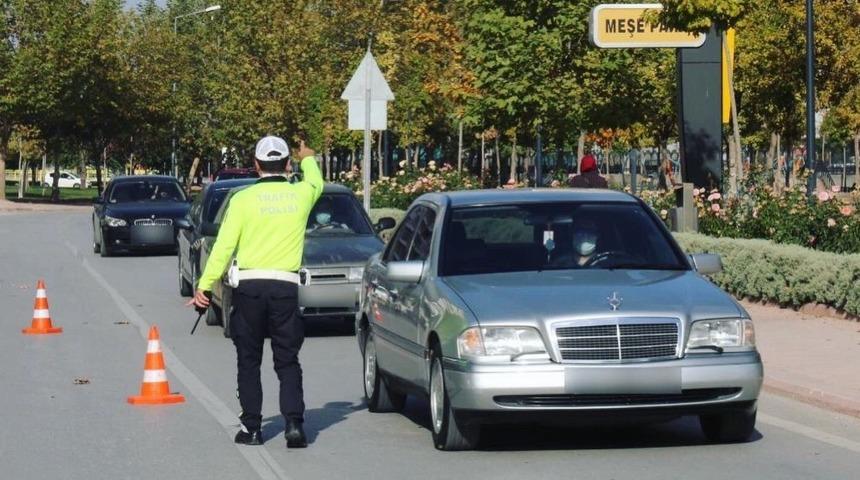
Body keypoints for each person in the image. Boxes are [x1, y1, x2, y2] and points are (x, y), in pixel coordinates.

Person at [190, 136, 323, 448]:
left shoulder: (242, 199)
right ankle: (294, 425)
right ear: (287, 165)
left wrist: (204, 286)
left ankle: (252, 428)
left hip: (249, 289)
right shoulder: (301, 194)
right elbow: (316, 182)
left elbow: (224, 247)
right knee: (287, 359)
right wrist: (307, 157)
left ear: (256, 165)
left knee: (248, 359)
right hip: (285, 288)